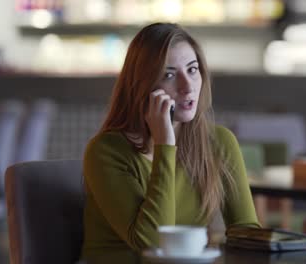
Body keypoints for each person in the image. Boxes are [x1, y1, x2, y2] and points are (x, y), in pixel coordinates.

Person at [81, 22, 260, 261]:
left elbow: (247, 234)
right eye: (169, 75)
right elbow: (152, 242)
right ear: (142, 87)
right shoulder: (105, 151)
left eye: (192, 70)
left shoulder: (219, 142)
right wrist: (165, 143)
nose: (187, 87)